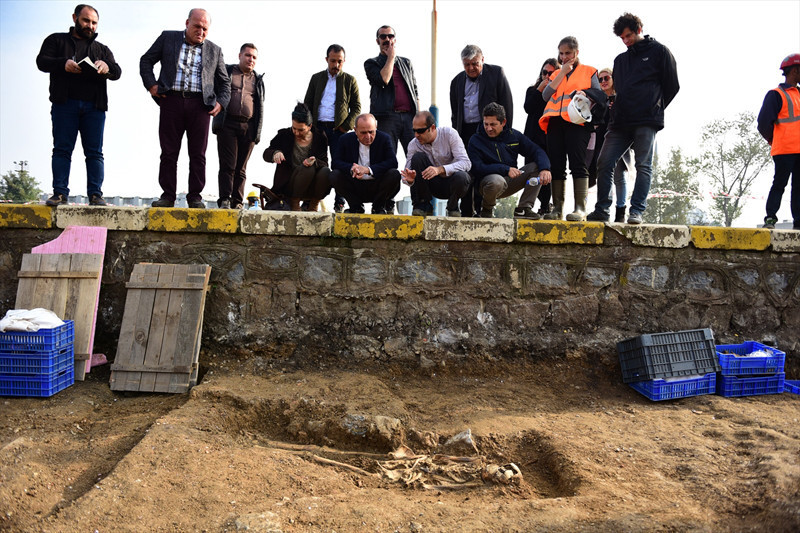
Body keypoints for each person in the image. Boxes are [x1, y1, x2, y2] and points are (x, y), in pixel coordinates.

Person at [586, 13, 679, 224]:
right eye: (622, 38)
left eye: (628, 36)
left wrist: (655, 107)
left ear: (639, 29)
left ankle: (636, 211)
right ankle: (602, 209)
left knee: (643, 165)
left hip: (647, 119)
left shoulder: (660, 52)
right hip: (620, 121)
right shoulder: (620, 60)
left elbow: (672, 85)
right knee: (605, 161)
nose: (626, 41)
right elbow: (619, 89)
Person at [140, 8, 231, 209]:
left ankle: (195, 197)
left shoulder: (214, 50)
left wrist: (221, 103)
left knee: (198, 154)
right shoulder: (168, 38)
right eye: (197, 26)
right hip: (170, 101)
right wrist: (151, 85)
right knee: (168, 152)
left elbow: (225, 83)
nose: (201, 31)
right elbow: (146, 61)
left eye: (205, 29)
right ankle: (168, 196)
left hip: (200, 106)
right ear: (187, 23)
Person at [36, 4, 121, 207]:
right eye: (85, 20)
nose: (89, 25)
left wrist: (107, 66)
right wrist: (62, 63)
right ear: (75, 18)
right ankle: (59, 194)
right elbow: (41, 61)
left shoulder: (102, 49)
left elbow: (117, 72)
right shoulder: (56, 40)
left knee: (94, 152)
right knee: (62, 149)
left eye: (93, 22)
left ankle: (95, 195)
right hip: (64, 104)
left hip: (95, 106)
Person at [539, 36, 606, 221]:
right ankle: (557, 209)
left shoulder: (589, 71)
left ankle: (580, 208)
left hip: (577, 123)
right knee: (557, 166)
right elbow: (545, 95)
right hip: (554, 122)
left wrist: (587, 93)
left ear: (576, 53)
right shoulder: (555, 74)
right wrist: (561, 73)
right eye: (561, 53)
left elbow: (599, 94)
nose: (564, 57)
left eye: (568, 53)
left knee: (578, 164)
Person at [450, 44, 513, 217]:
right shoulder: (456, 81)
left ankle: (482, 209)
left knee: (483, 170)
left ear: (482, 59)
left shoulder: (497, 74)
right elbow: (455, 112)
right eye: (467, 64)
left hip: (488, 131)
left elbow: (507, 105)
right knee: (466, 170)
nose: (471, 68)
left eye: (475, 63)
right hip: (465, 132)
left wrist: (503, 134)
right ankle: (466, 211)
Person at [468, 103, 552, 219]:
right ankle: (487, 209)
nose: (488, 128)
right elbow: (477, 168)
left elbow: (537, 151)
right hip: (488, 182)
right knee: (496, 181)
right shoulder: (475, 140)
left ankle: (523, 208)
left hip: (510, 181)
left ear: (503, 122)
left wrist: (545, 169)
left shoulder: (514, 135)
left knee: (537, 167)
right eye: (486, 124)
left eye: (493, 124)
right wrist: (505, 169)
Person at [304, 44, 361, 213]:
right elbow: (307, 103)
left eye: (339, 61)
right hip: (318, 128)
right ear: (326, 60)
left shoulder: (350, 80)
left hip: (339, 130)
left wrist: (345, 127)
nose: (336, 65)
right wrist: (309, 127)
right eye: (333, 61)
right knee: (314, 163)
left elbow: (356, 107)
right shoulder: (316, 78)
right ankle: (309, 201)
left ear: (344, 61)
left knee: (340, 166)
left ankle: (340, 202)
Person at [212, 43, 264, 209]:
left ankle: (237, 201)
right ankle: (225, 199)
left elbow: (260, 106)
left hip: (248, 127)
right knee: (228, 165)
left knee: (241, 167)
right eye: (248, 55)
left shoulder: (258, 80)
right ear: (240, 55)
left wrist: (257, 132)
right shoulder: (227, 72)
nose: (251, 59)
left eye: (254, 57)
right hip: (227, 123)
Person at [400, 111, 472, 217]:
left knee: (463, 176)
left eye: (420, 131)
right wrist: (410, 180)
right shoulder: (413, 144)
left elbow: (466, 163)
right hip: (431, 185)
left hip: (452, 183)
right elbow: (406, 173)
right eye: (414, 131)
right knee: (417, 158)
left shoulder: (449, 134)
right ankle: (422, 206)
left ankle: (453, 207)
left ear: (432, 127)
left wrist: (440, 169)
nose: (416, 135)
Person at [758, 54, 800, 230]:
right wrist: (773, 140)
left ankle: (798, 222)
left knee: (798, 188)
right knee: (779, 184)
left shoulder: (799, 94)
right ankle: (770, 218)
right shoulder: (775, 95)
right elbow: (763, 123)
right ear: (796, 71)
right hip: (784, 150)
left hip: (798, 150)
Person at [262, 103, 331, 211]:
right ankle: (295, 203)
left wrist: (315, 161)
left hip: (312, 185)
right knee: (307, 169)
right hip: (289, 184)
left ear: (310, 126)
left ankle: (314, 204)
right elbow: (266, 153)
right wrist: (275, 153)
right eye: (294, 128)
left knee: (325, 171)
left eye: (301, 130)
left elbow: (325, 163)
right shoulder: (284, 135)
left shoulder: (320, 137)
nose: (296, 133)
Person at [364, 25, 419, 156]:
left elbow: (415, 90)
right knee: (388, 156)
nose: (387, 39)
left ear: (395, 39)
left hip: (409, 116)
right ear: (378, 41)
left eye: (390, 36)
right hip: (387, 117)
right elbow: (384, 79)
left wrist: (418, 115)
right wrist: (390, 58)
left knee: (416, 154)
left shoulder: (406, 63)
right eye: (383, 36)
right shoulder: (371, 63)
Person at [329, 114, 401, 214]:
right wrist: (352, 168)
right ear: (355, 130)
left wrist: (368, 170)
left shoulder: (384, 138)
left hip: (377, 185)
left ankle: (378, 207)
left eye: (371, 132)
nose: (368, 136)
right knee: (334, 175)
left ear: (376, 127)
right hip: (355, 186)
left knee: (394, 174)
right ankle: (356, 207)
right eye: (363, 133)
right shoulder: (345, 139)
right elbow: (335, 163)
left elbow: (392, 162)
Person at [591, 67, 634, 222]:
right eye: (600, 79)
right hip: (601, 142)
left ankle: (621, 212)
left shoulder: (620, 97)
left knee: (619, 176)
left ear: (613, 79)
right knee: (604, 175)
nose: (603, 81)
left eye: (606, 78)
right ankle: (603, 208)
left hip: (620, 140)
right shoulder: (598, 100)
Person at [523, 58, 559, 215]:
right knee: (532, 171)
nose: (547, 76)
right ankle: (529, 204)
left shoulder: (559, 93)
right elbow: (528, 107)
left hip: (551, 138)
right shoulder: (532, 90)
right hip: (533, 139)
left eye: (551, 73)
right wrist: (540, 89)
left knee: (549, 173)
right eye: (545, 72)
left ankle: (547, 205)